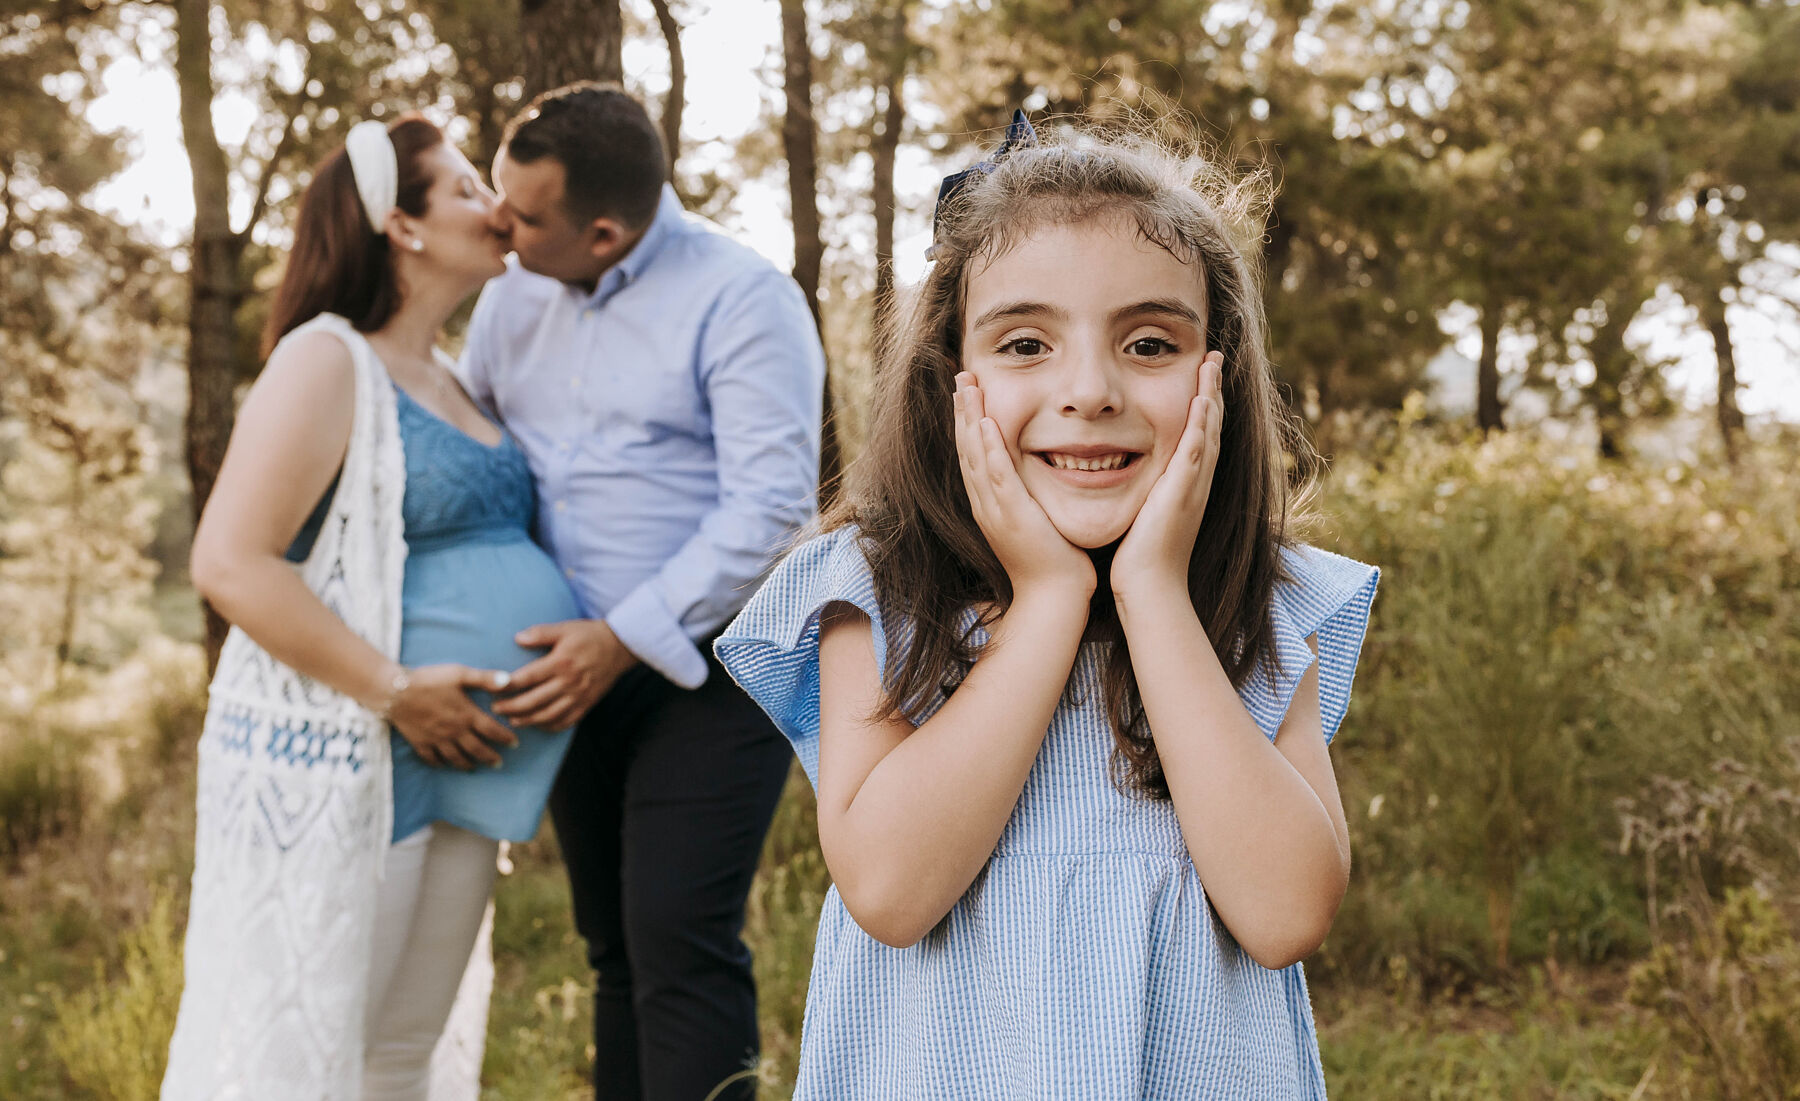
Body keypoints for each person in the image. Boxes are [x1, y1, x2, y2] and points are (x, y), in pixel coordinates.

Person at [715, 114, 1382, 1099]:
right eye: (1025, 341)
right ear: (953, 376)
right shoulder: (873, 589)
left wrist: (1151, 591)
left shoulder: (1258, 609)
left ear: (1221, 374)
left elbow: (1283, 911)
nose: (1088, 389)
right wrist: (1047, 601)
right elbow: (892, 891)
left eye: (1149, 342)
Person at [164, 115, 585, 1101]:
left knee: (400, 1054)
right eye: (467, 188)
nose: (498, 209)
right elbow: (229, 560)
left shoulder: (448, 373)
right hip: (369, 755)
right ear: (398, 222)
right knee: (320, 1060)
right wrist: (396, 691)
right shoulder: (325, 359)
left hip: (466, 765)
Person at [461, 83, 825, 1100]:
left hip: (711, 671)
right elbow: (476, 446)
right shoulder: (506, 298)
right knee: (611, 942)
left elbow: (767, 508)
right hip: (563, 670)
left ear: (606, 230)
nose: (502, 225)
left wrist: (619, 638)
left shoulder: (743, 299)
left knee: (679, 934)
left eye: (525, 216)